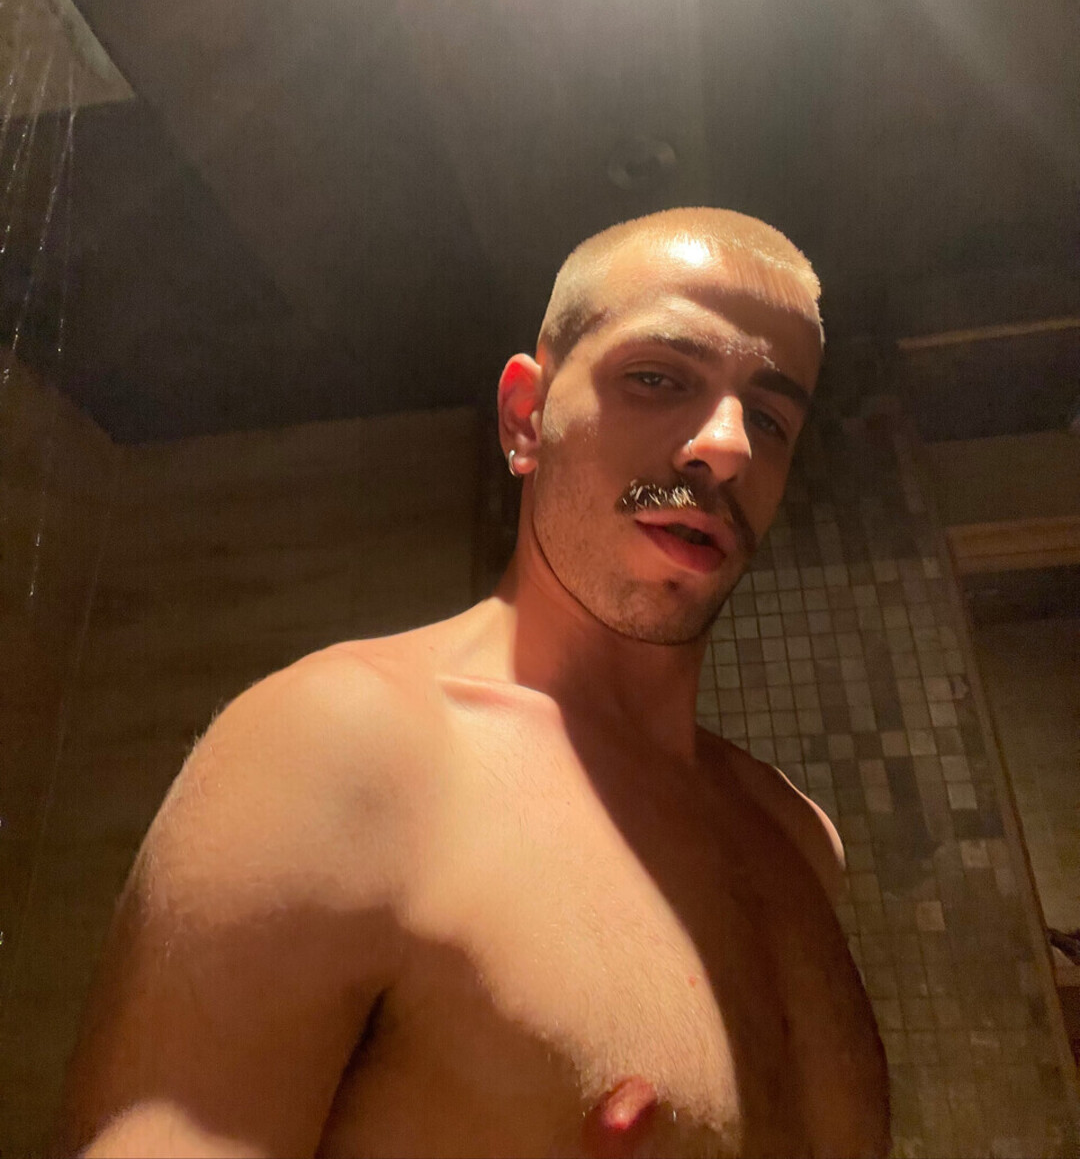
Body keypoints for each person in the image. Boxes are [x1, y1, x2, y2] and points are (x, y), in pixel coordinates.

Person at [60, 208, 889, 1158]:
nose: (729, 446)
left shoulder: (797, 837)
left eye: (771, 417)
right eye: (659, 378)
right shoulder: (341, 753)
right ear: (525, 418)